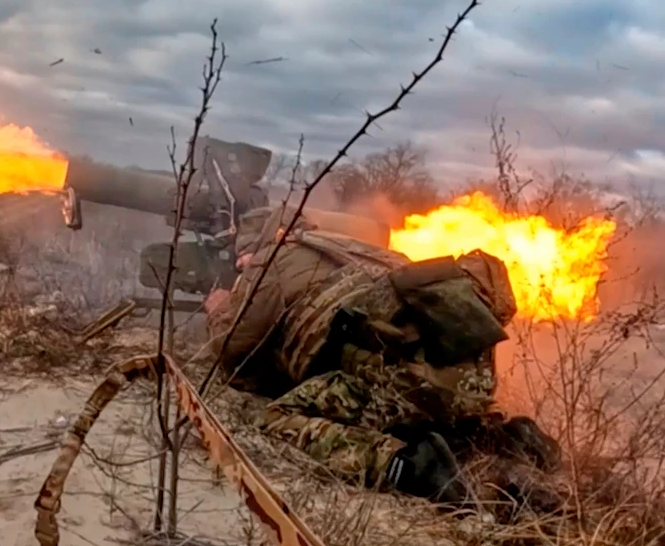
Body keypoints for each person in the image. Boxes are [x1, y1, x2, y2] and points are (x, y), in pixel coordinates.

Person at [205, 205, 560, 507]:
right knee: (426, 408)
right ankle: (508, 437)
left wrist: (218, 309)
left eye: (243, 258)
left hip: (394, 378)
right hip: (461, 377)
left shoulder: (272, 257)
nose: (242, 264)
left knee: (276, 418)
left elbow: (234, 344)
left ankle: (407, 466)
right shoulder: (360, 247)